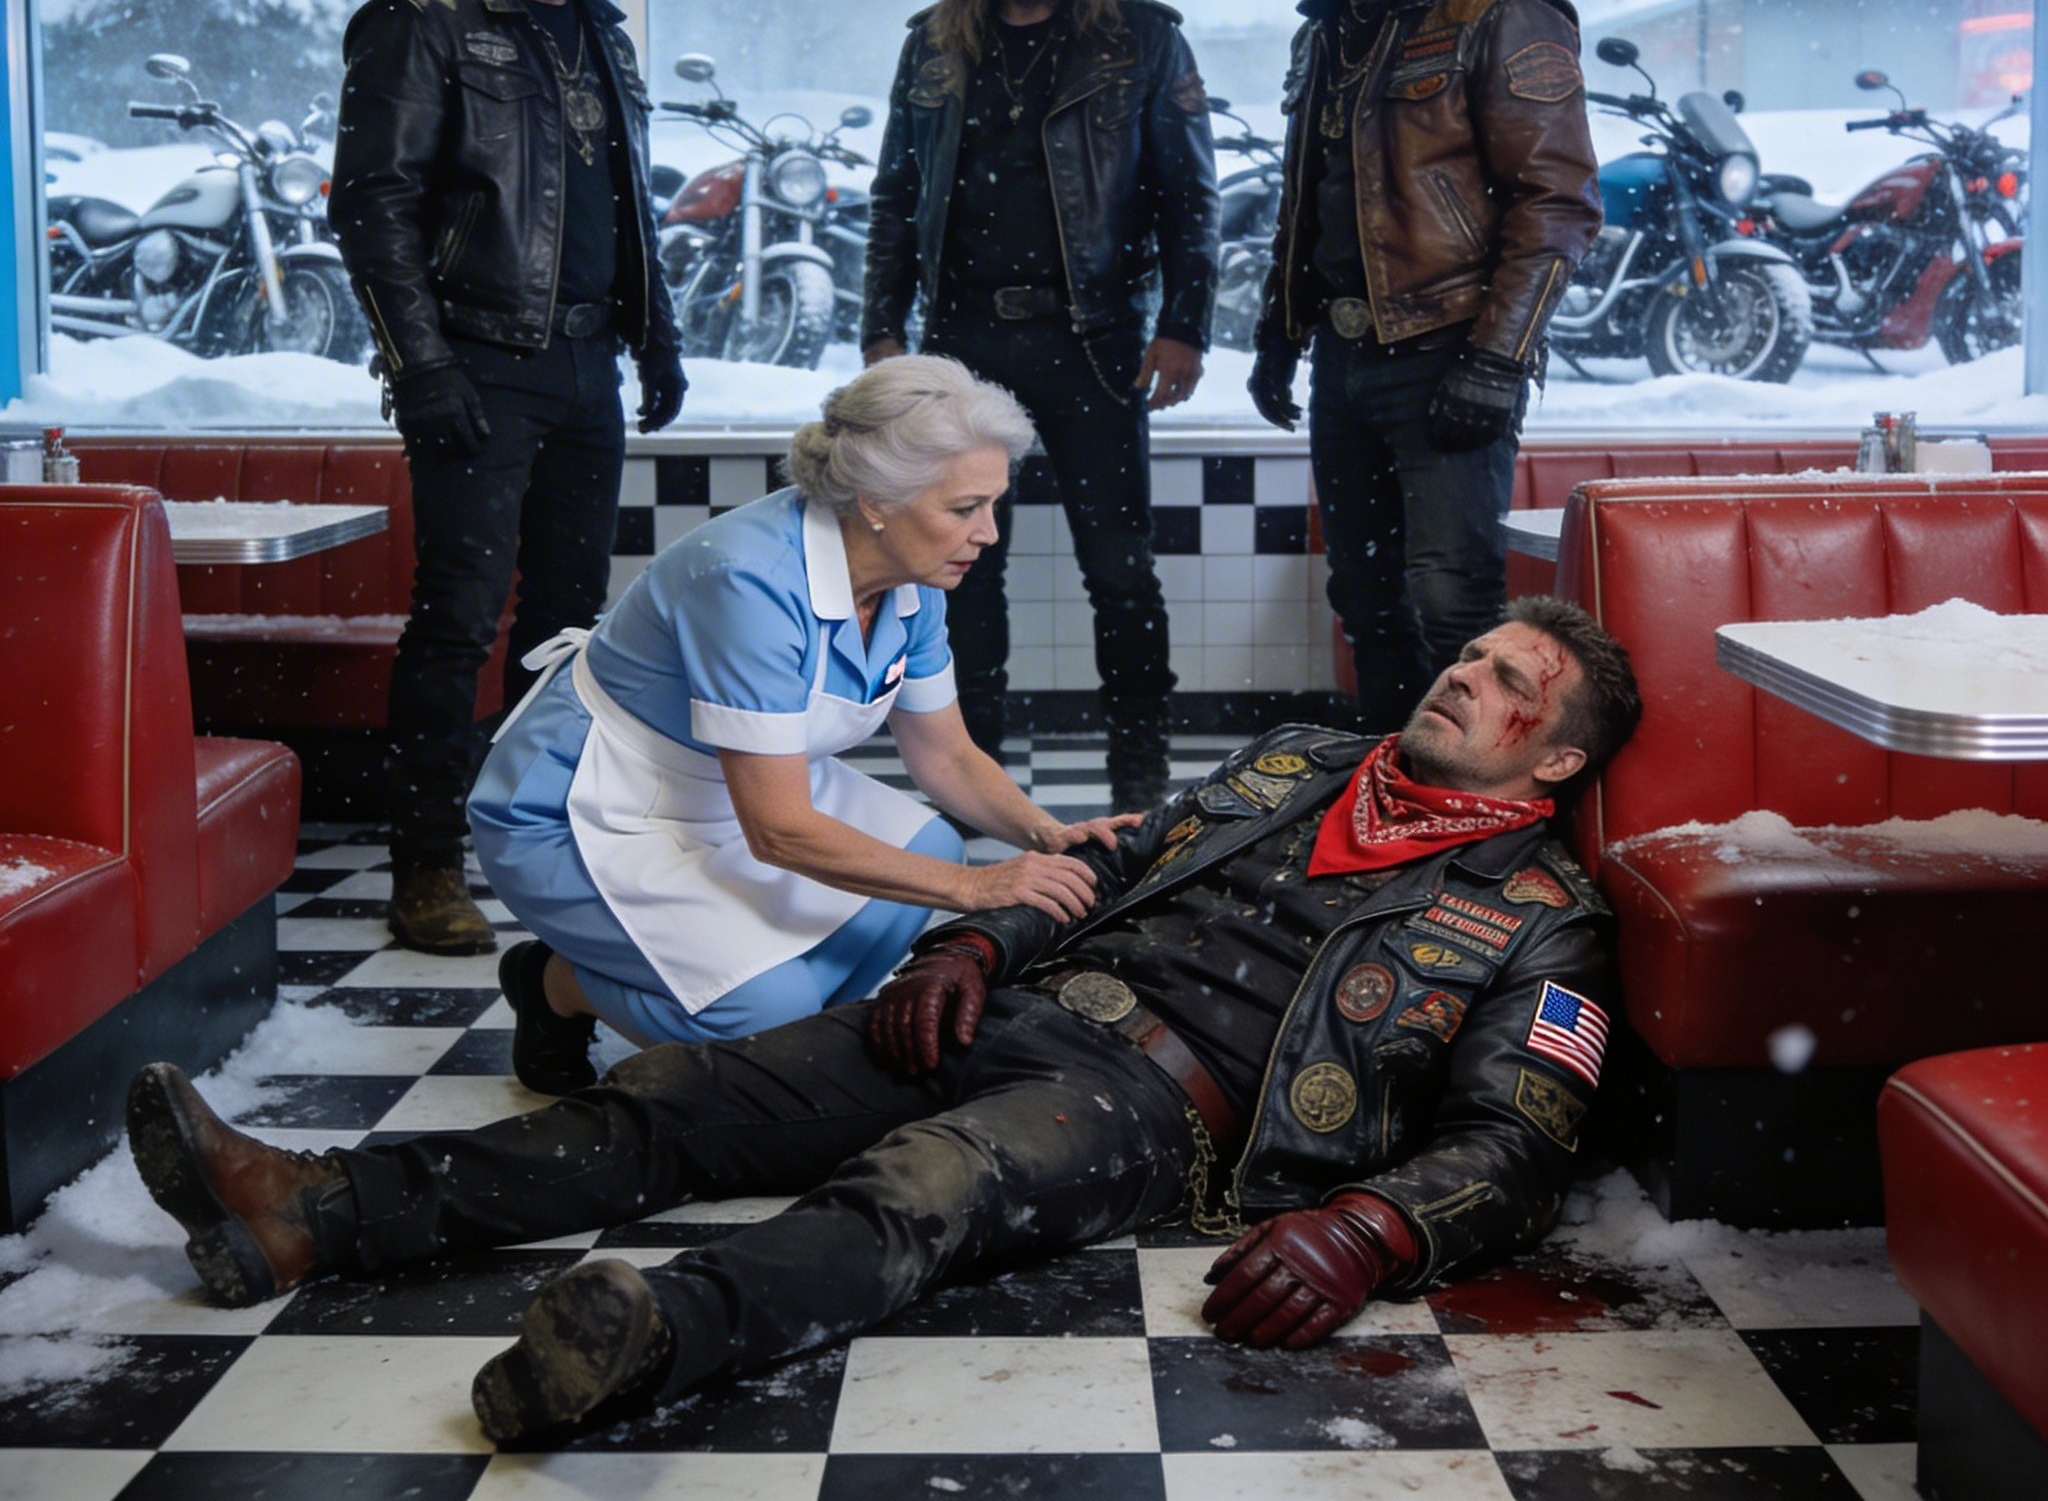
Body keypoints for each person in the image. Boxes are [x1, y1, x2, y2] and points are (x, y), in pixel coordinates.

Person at [127, 595, 1640, 1450]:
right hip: (1021, 1008)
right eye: (1471, 652)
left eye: (1509, 681)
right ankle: (314, 1209)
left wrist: (1370, 1231)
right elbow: (1104, 862)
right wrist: (971, 939)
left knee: (921, 1189)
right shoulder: (1299, 760)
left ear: (1557, 759)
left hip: (1156, 1107)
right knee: (681, 1095)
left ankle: (650, 1343)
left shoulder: (1541, 917)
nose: (1462, 672)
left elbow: (1518, 1145)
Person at [471, 353, 1138, 1091]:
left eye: (993, 505)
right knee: (769, 1012)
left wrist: (1047, 835)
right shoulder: (747, 581)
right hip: (588, 810)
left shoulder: (913, 580)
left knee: (924, 851)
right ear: (876, 500)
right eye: (963, 509)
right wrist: (974, 888)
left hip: (737, 792)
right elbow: (780, 831)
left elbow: (946, 757)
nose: (987, 533)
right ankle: (555, 986)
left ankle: (785, 1046)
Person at [329, 0, 687, 957]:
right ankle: (427, 862)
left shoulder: (600, 30)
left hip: (586, 362)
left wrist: (657, 337)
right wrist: (420, 365)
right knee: (458, 618)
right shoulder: (421, 19)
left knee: (568, 627)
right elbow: (371, 208)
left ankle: (542, 836)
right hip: (478, 361)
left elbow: (624, 201)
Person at [1228, 0, 1602, 731]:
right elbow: (1309, 201)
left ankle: (1484, 802)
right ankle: (1395, 786)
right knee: (1364, 598)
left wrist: (1496, 360)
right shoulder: (1325, 32)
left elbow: (1558, 204)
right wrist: (1280, 334)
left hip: (1451, 349)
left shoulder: (1501, 9)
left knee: (1452, 601)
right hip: (1345, 355)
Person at [861, 0, 1219, 811]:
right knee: (962, 571)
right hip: (964, 345)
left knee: (1121, 569)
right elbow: (894, 195)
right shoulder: (935, 45)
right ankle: (974, 781)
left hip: (1091, 342)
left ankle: (1139, 781)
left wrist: (1184, 324)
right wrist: (881, 330)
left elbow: (1192, 198)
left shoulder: (1139, 38)